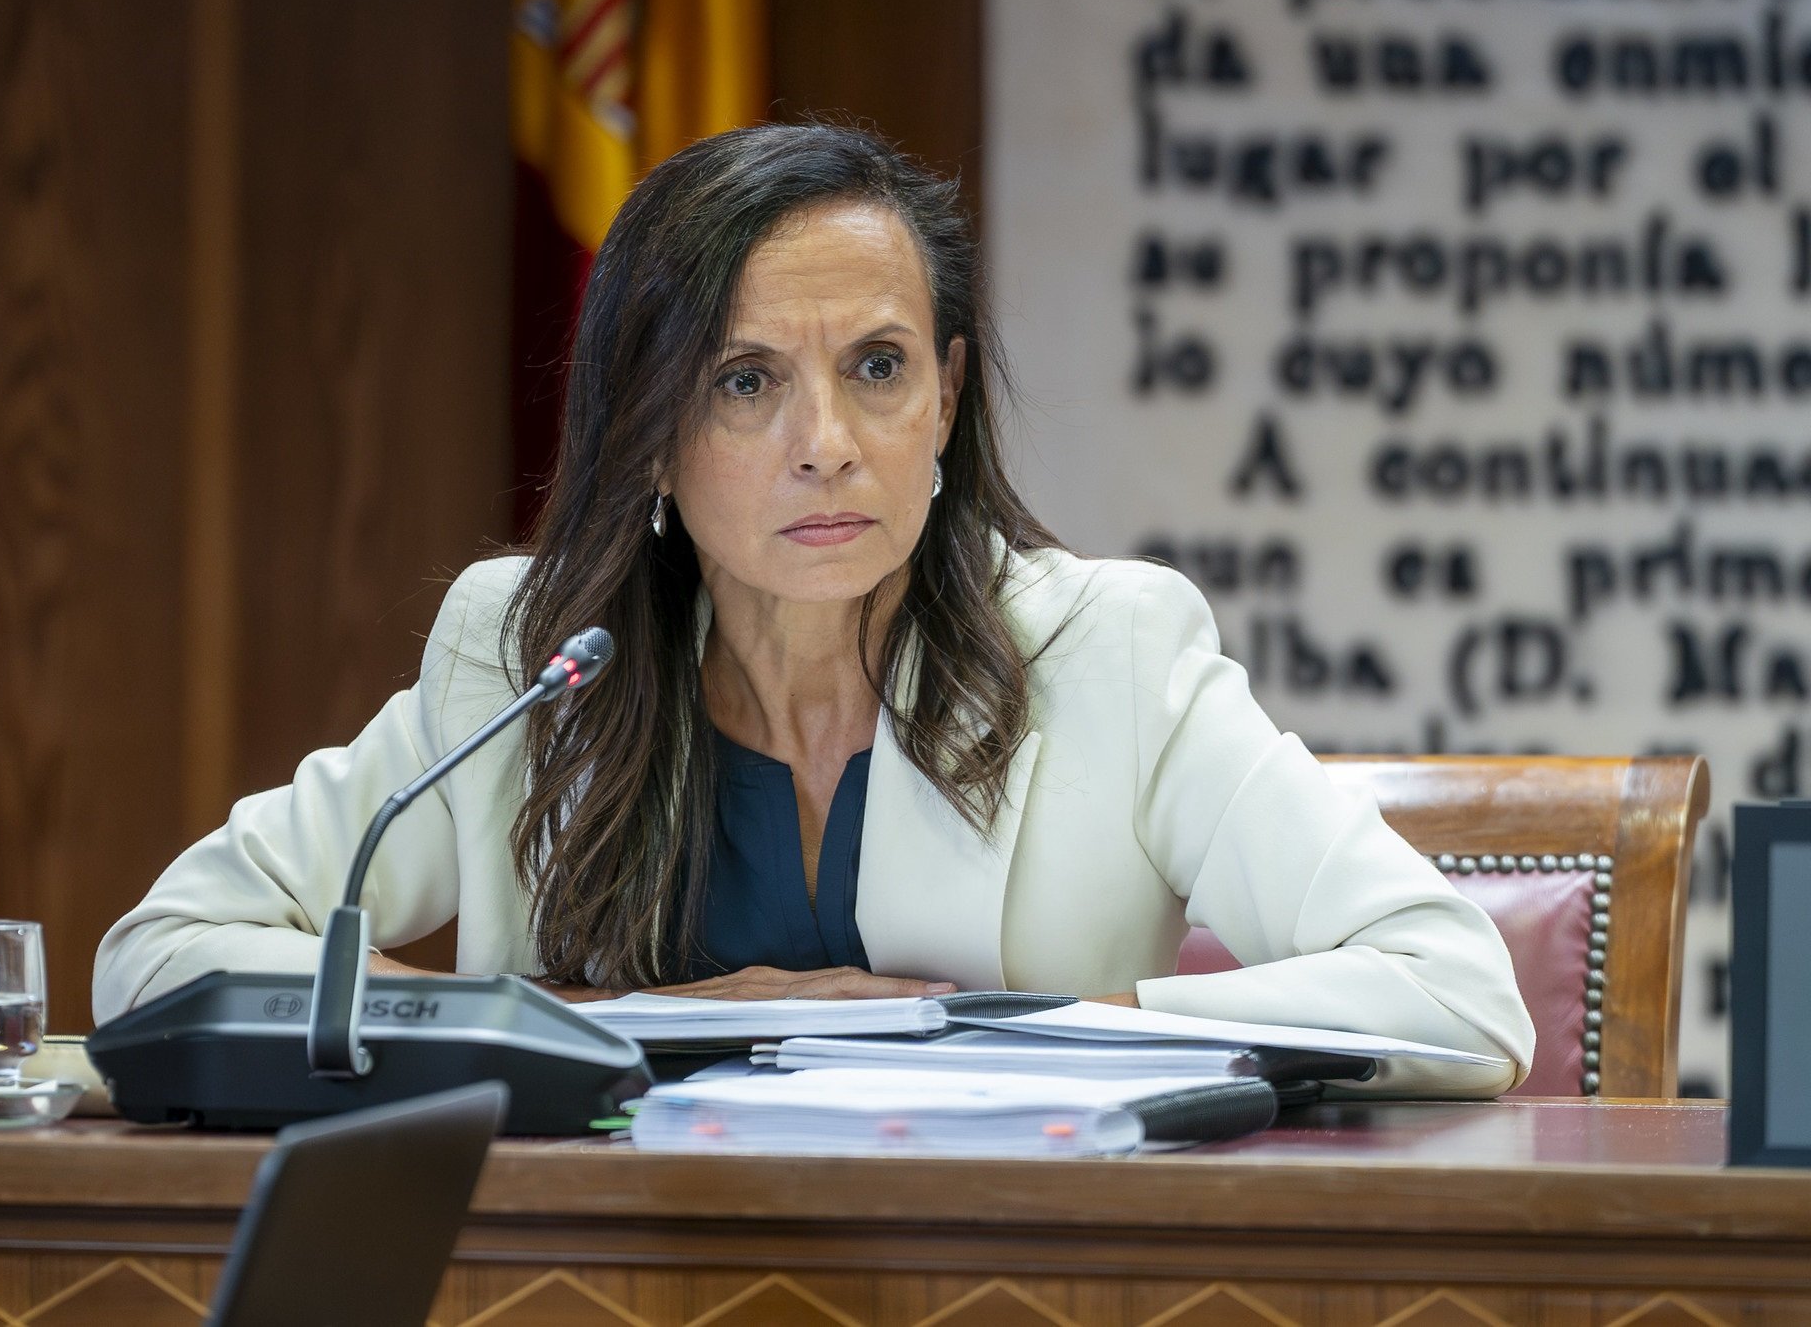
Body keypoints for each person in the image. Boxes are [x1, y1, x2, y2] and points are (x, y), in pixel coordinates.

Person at [95, 123, 1533, 1095]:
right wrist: (580, 1028)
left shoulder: (1114, 654)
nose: (826, 440)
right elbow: (159, 956)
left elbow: (1454, 992)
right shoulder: (533, 656)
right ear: (650, 431)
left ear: (950, 401)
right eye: (746, 380)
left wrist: (987, 1036)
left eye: (880, 367)